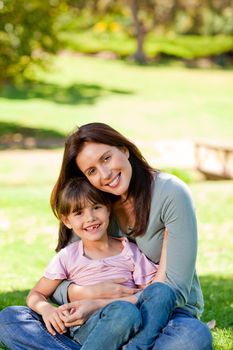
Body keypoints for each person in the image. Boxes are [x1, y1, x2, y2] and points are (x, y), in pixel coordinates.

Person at [0, 122, 213, 350]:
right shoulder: (93, 201)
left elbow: (173, 289)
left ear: (124, 149)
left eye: (106, 158)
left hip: (164, 315)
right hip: (98, 321)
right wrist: (82, 294)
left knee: (192, 337)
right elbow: (59, 282)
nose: (105, 174)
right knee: (10, 320)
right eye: (91, 171)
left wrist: (97, 303)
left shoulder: (171, 193)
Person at [0, 176, 167, 350]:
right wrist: (47, 309)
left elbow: (150, 295)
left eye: (96, 207)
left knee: (125, 312)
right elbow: (36, 294)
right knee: (9, 318)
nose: (90, 218)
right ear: (67, 221)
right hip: (78, 329)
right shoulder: (67, 256)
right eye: (79, 213)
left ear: (108, 209)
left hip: (120, 323)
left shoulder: (130, 251)